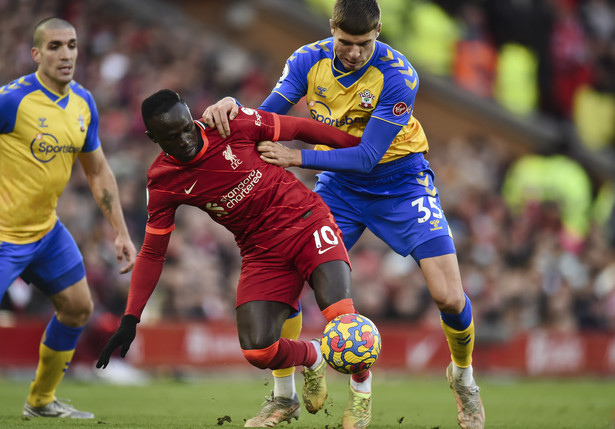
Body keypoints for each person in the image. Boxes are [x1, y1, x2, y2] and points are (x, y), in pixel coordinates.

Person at [202, 0, 485, 428]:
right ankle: (284, 397)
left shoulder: (398, 75)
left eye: (364, 43)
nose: (353, 52)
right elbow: (266, 117)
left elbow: (369, 155)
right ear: (331, 29)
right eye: (345, 42)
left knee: (447, 295)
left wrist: (297, 159)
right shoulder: (306, 60)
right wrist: (234, 108)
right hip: (340, 188)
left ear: (379, 32)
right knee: (286, 284)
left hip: (401, 181)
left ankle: (463, 377)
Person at [96, 89, 374, 429]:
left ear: (191, 115)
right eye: (171, 137)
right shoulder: (163, 181)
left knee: (343, 319)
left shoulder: (231, 124)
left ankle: (361, 393)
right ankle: (314, 356)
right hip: (261, 251)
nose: (185, 140)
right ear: (152, 138)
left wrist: (362, 148)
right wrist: (131, 317)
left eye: (187, 128)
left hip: (306, 222)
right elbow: (153, 252)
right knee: (258, 350)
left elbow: (301, 128)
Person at [0, 17, 137, 419]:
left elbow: (96, 171)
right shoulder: (12, 100)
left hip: (45, 232)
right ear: (36, 54)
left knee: (78, 308)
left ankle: (41, 400)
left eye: (72, 45)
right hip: (4, 235)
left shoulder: (83, 103)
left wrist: (121, 233)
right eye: (56, 46)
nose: (66, 54)